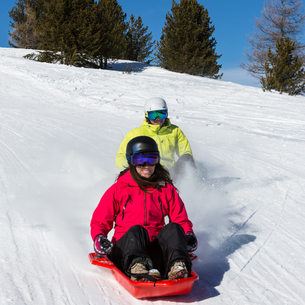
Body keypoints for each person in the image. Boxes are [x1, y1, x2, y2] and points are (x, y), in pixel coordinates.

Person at [91, 136, 198, 282]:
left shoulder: (166, 189)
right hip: (125, 252)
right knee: (137, 230)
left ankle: (177, 266)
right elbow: (99, 221)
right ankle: (138, 268)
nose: (146, 165)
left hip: (155, 254)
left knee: (173, 228)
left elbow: (181, 220)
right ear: (131, 162)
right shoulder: (119, 189)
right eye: (140, 161)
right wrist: (99, 238)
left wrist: (188, 235)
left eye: (152, 159)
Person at [115, 97, 196, 179]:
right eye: (153, 115)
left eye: (161, 114)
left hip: (170, 173)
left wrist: (190, 173)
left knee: (187, 157)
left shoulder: (175, 131)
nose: (158, 119)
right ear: (146, 115)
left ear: (166, 114)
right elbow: (120, 156)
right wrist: (135, 168)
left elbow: (185, 152)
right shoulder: (136, 133)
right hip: (147, 171)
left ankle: (192, 184)